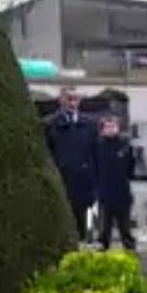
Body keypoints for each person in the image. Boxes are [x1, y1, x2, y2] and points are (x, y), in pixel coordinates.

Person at [45, 87, 99, 240]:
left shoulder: (90, 125)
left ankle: (85, 243)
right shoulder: (50, 124)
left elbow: (96, 154)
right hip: (61, 180)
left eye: (75, 99)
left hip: (84, 182)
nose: (72, 103)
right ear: (60, 100)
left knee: (85, 222)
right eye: (68, 99)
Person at [96, 114, 136, 251]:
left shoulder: (125, 146)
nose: (111, 129)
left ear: (118, 128)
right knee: (104, 230)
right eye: (107, 127)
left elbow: (130, 169)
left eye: (113, 126)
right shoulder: (97, 146)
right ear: (102, 130)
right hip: (104, 193)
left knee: (125, 228)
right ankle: (102, 252)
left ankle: (130, 252)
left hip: (122, 192)